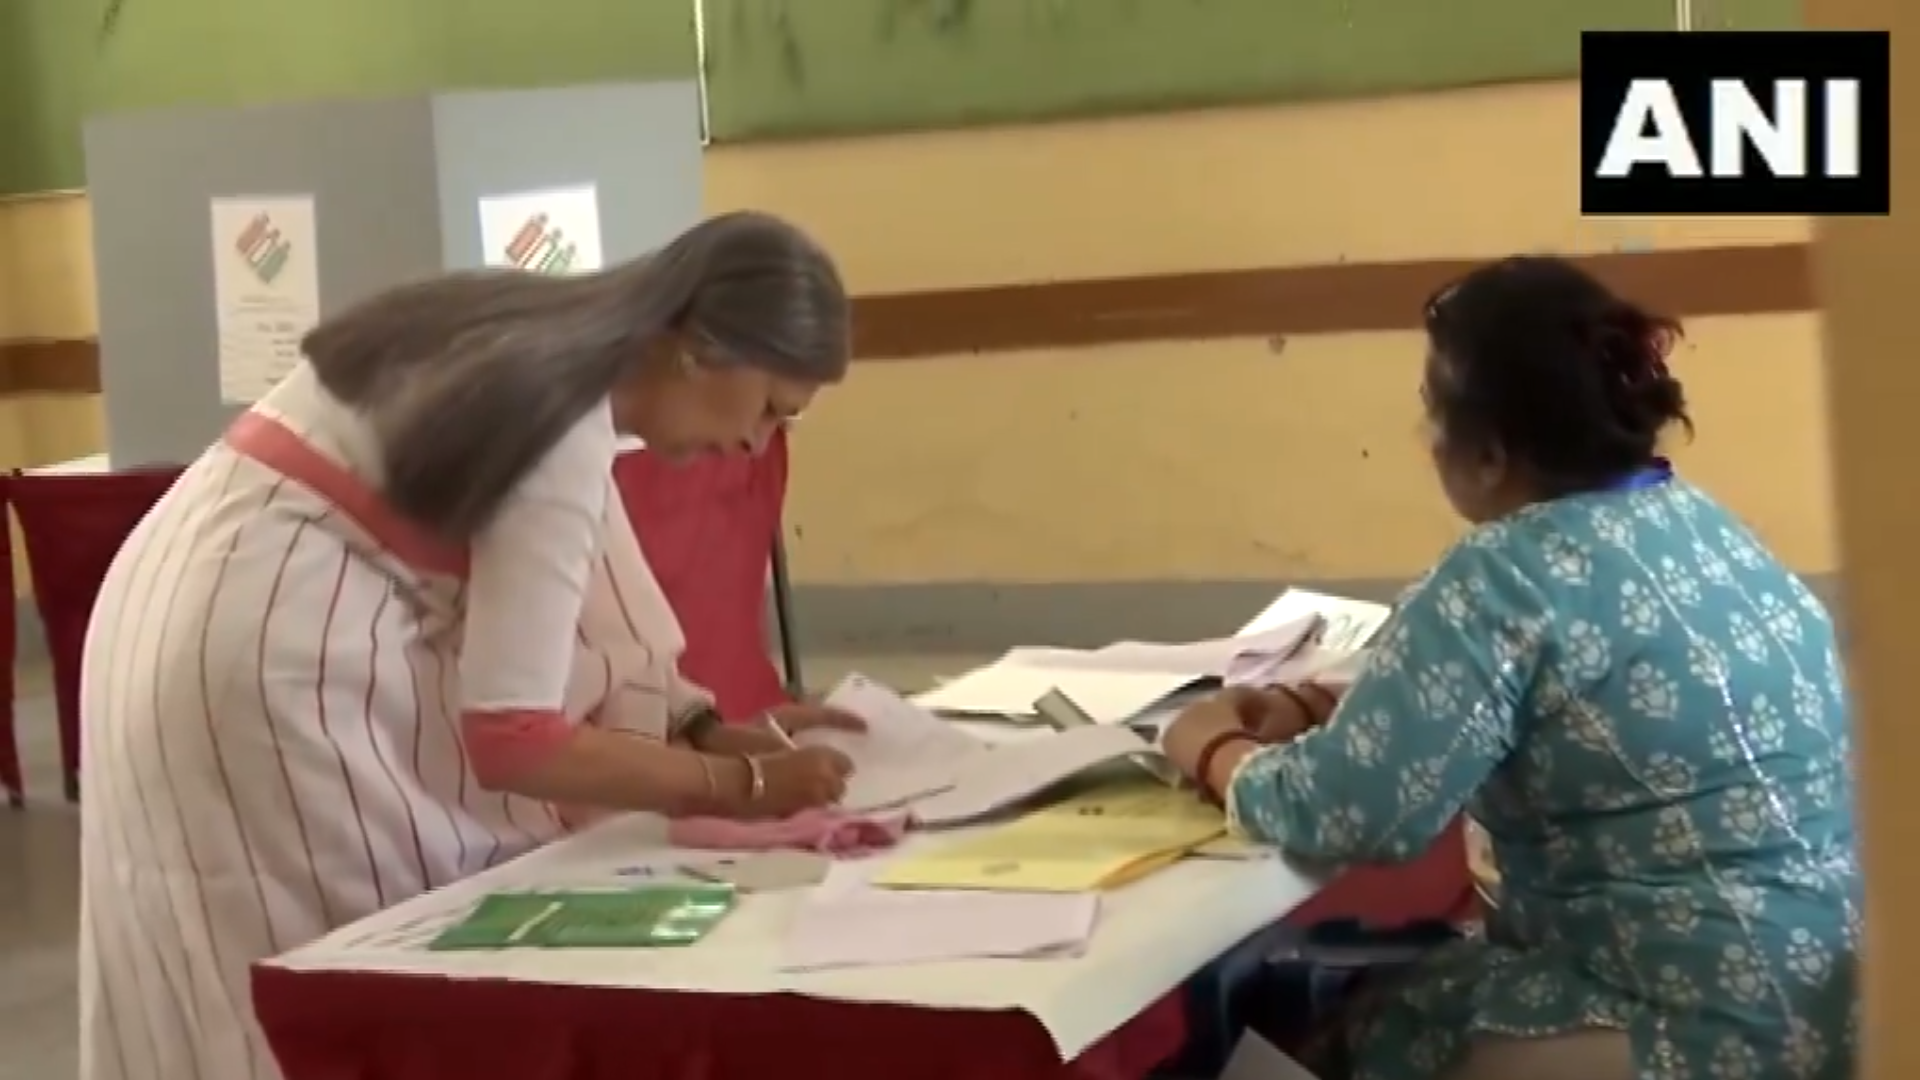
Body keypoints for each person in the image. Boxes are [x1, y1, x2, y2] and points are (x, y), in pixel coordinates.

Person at [77, 211, 867, 1080]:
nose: (756, 444)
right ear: (702, 346)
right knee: (353, 973)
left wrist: (699, 725)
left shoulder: (554, 345)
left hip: (181, 586)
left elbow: (583, 579)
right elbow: (514, 740)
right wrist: (738, 785)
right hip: (272, 652)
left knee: (213, 959)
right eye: (767, 408)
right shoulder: (563, 412)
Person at [1163, 256, 1859, 1080]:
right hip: (1836, 992)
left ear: (1488, 451)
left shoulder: (1504, 573)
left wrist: (1207, 747)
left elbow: (1357, 813)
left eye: (1431, 410)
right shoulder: (1700, 526)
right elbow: (1572, 689)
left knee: (1347, 1028)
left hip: (1696, 1026)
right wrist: (1317, 703)